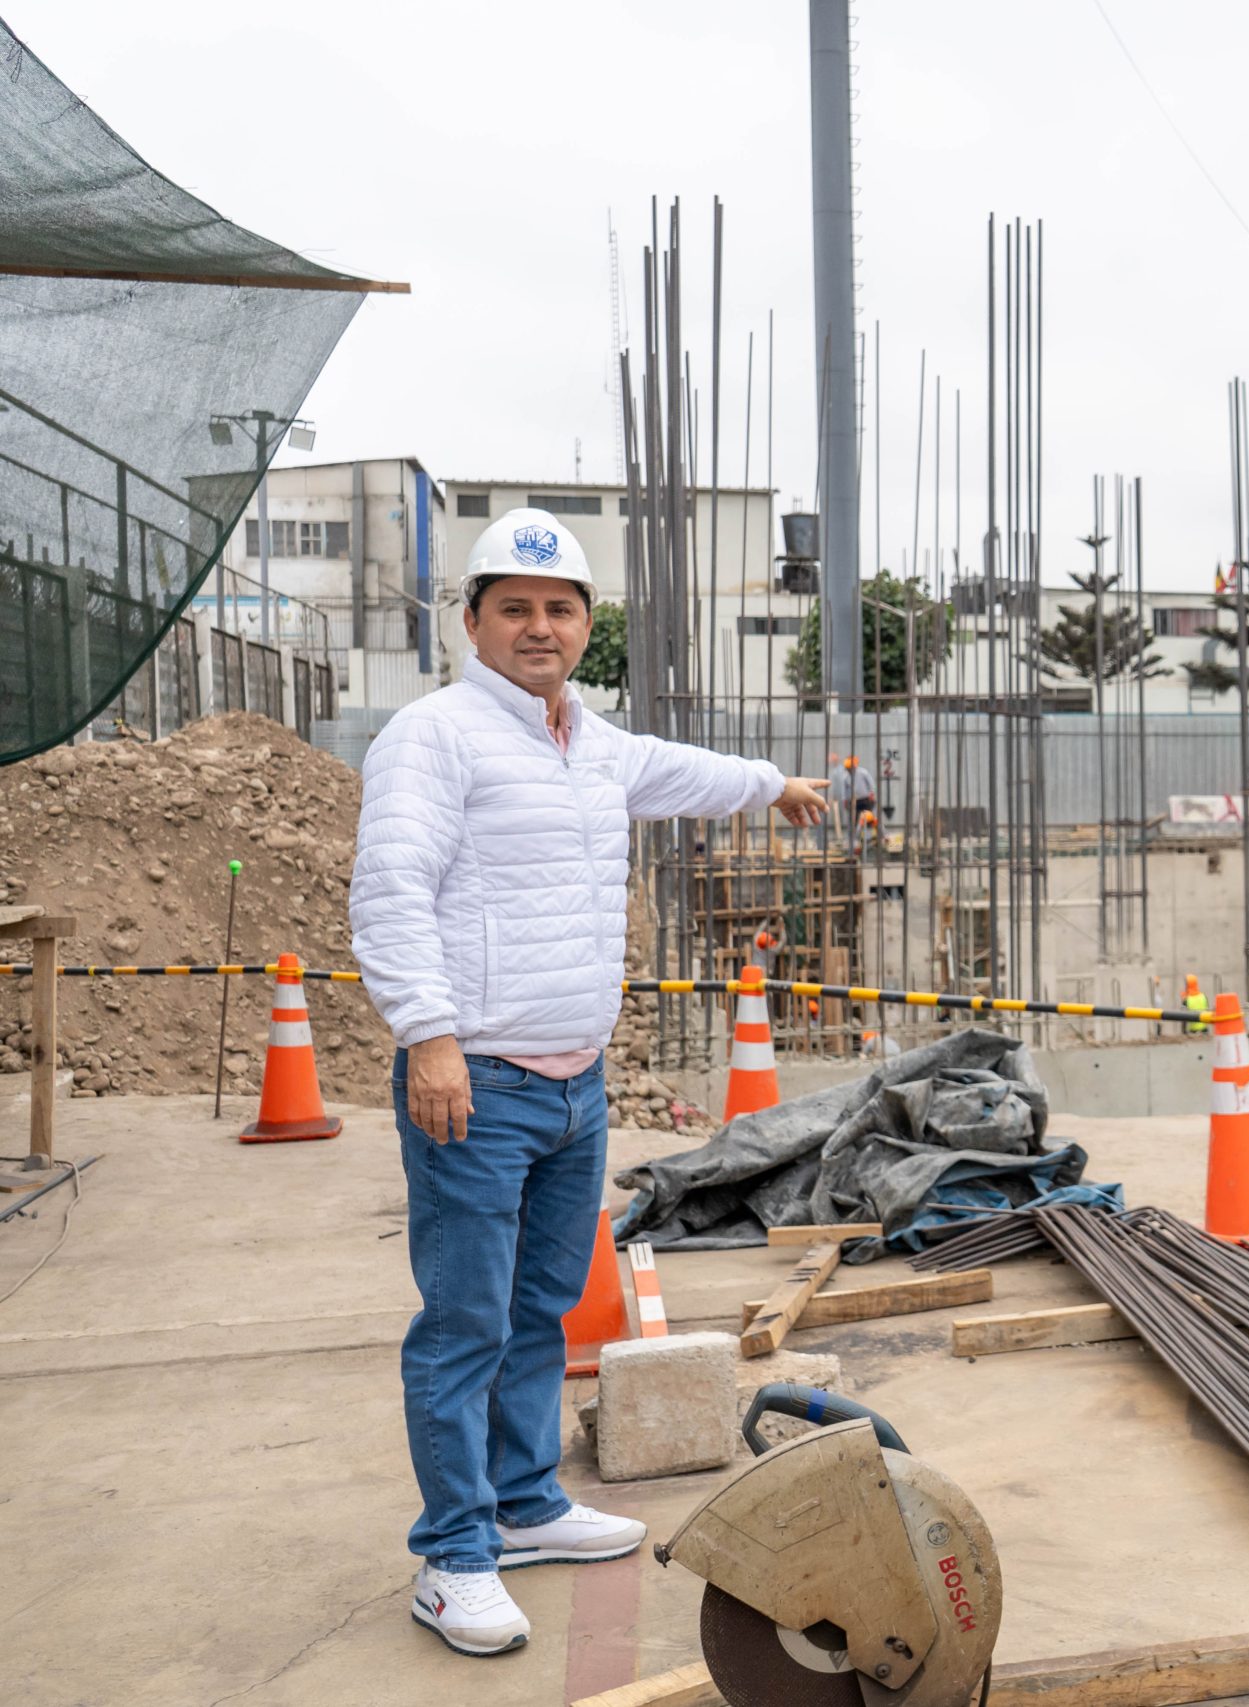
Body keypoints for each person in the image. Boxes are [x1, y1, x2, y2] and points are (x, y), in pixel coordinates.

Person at [351, 508, 828, 1659]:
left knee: (537, 1307)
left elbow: (677, 770)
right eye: (512, 607)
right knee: (464, 1320)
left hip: (573, 1083)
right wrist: (427, 1035)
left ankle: (522, 1505)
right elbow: (391, 888)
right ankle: (452, 1555)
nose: (537, 626)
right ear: (472, 622)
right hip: (477, 1081)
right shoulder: (434, 738)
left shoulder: (591, 742)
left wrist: (773, 785)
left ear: (584, 628)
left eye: (558, 608)